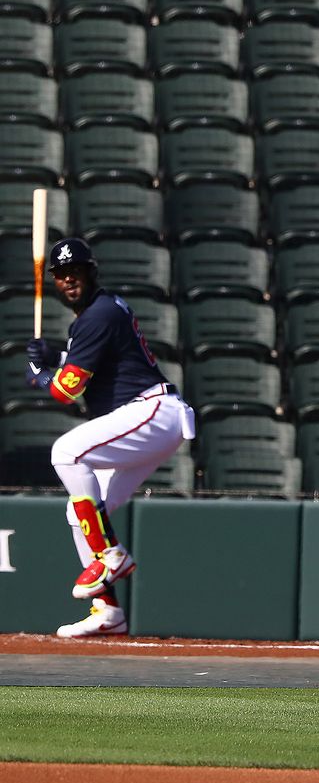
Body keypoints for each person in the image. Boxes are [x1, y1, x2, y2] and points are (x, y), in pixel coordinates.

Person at [24, 237, 193, 639]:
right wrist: (55, 358)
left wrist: (39, 374)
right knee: (76, 513)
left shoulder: (97, 314)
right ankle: (108, 612)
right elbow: (91, 362)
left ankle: (110, 554)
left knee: (66, 452)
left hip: (151, 410)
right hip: (141, 418)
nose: (68, 280)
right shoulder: (97, 315)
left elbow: (66, 390)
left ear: (91, 272)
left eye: (76, 272)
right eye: (62, 275)